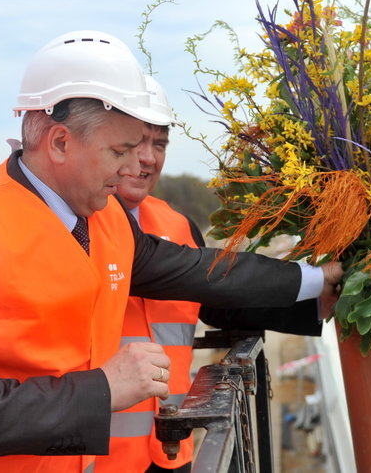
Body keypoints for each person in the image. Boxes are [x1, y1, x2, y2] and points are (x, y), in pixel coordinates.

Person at [0, 30, 342, 472]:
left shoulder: (104, 219)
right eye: (120, 150)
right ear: (60, 142)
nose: (131, 167)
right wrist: (104, 388)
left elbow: (199, 271)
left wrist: (319, 281)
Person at [94, 77, 326, 473]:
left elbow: (219, 304)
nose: (147, 158)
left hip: (170, 452)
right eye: (135, 143)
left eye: (160, 144)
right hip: (94, 457)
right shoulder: (79, 223)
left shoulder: (176, 223)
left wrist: (315, 303)